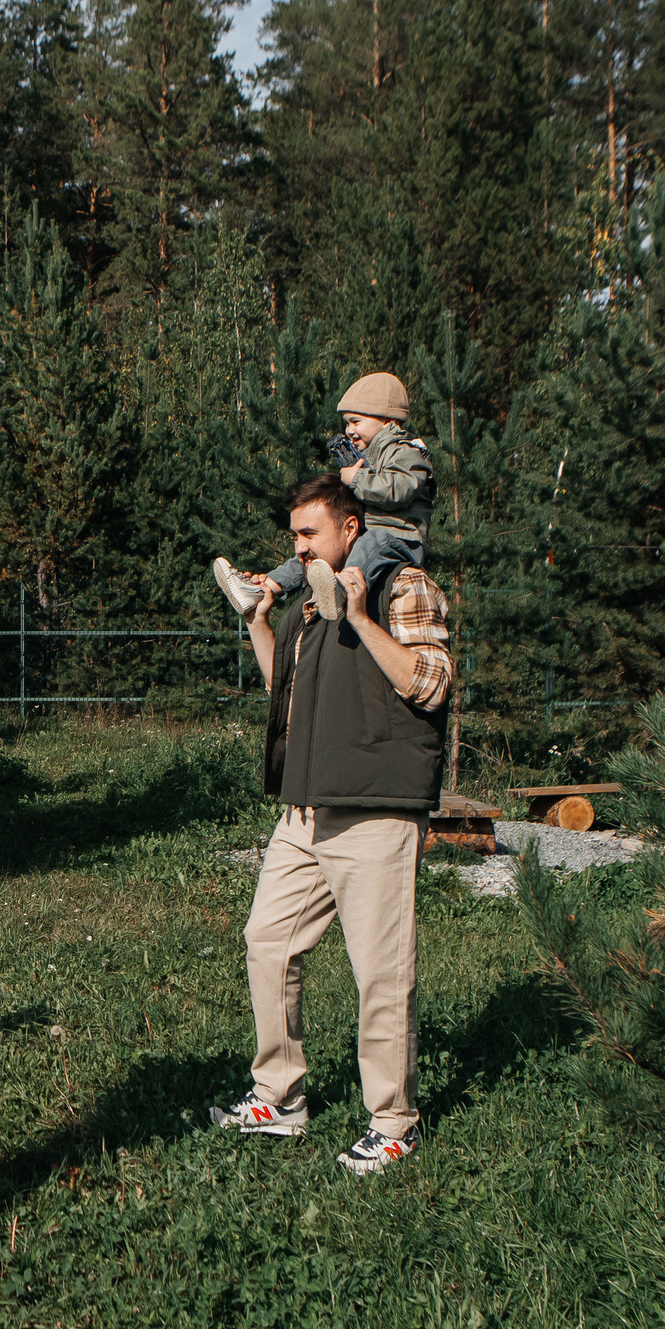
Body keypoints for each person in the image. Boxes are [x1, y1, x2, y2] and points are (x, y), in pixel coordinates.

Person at [209, 473, 453, 1174]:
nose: (298, 548)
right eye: (293, 535)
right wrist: (260, 622)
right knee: (267, 942)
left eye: (309, 533)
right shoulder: (307, 609)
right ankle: (279, 1094)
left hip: (375, 808)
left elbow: (431, 682)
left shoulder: (403, 586)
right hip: (305, 810)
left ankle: (394, 1121)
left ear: (351, 529)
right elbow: (280, 691)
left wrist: (359, 616)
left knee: (380, 973)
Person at [211, 371, 435, 620]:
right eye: (347, 423)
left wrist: (357, 478)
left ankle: (338, 593)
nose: (349, 430)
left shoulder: (407, 452)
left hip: (400, 539)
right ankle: (262, 589)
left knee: (372, 543)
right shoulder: (371, 456)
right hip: (369, 534)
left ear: (385, 420)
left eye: (355, 421)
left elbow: (399, 490)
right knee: (317, 554)